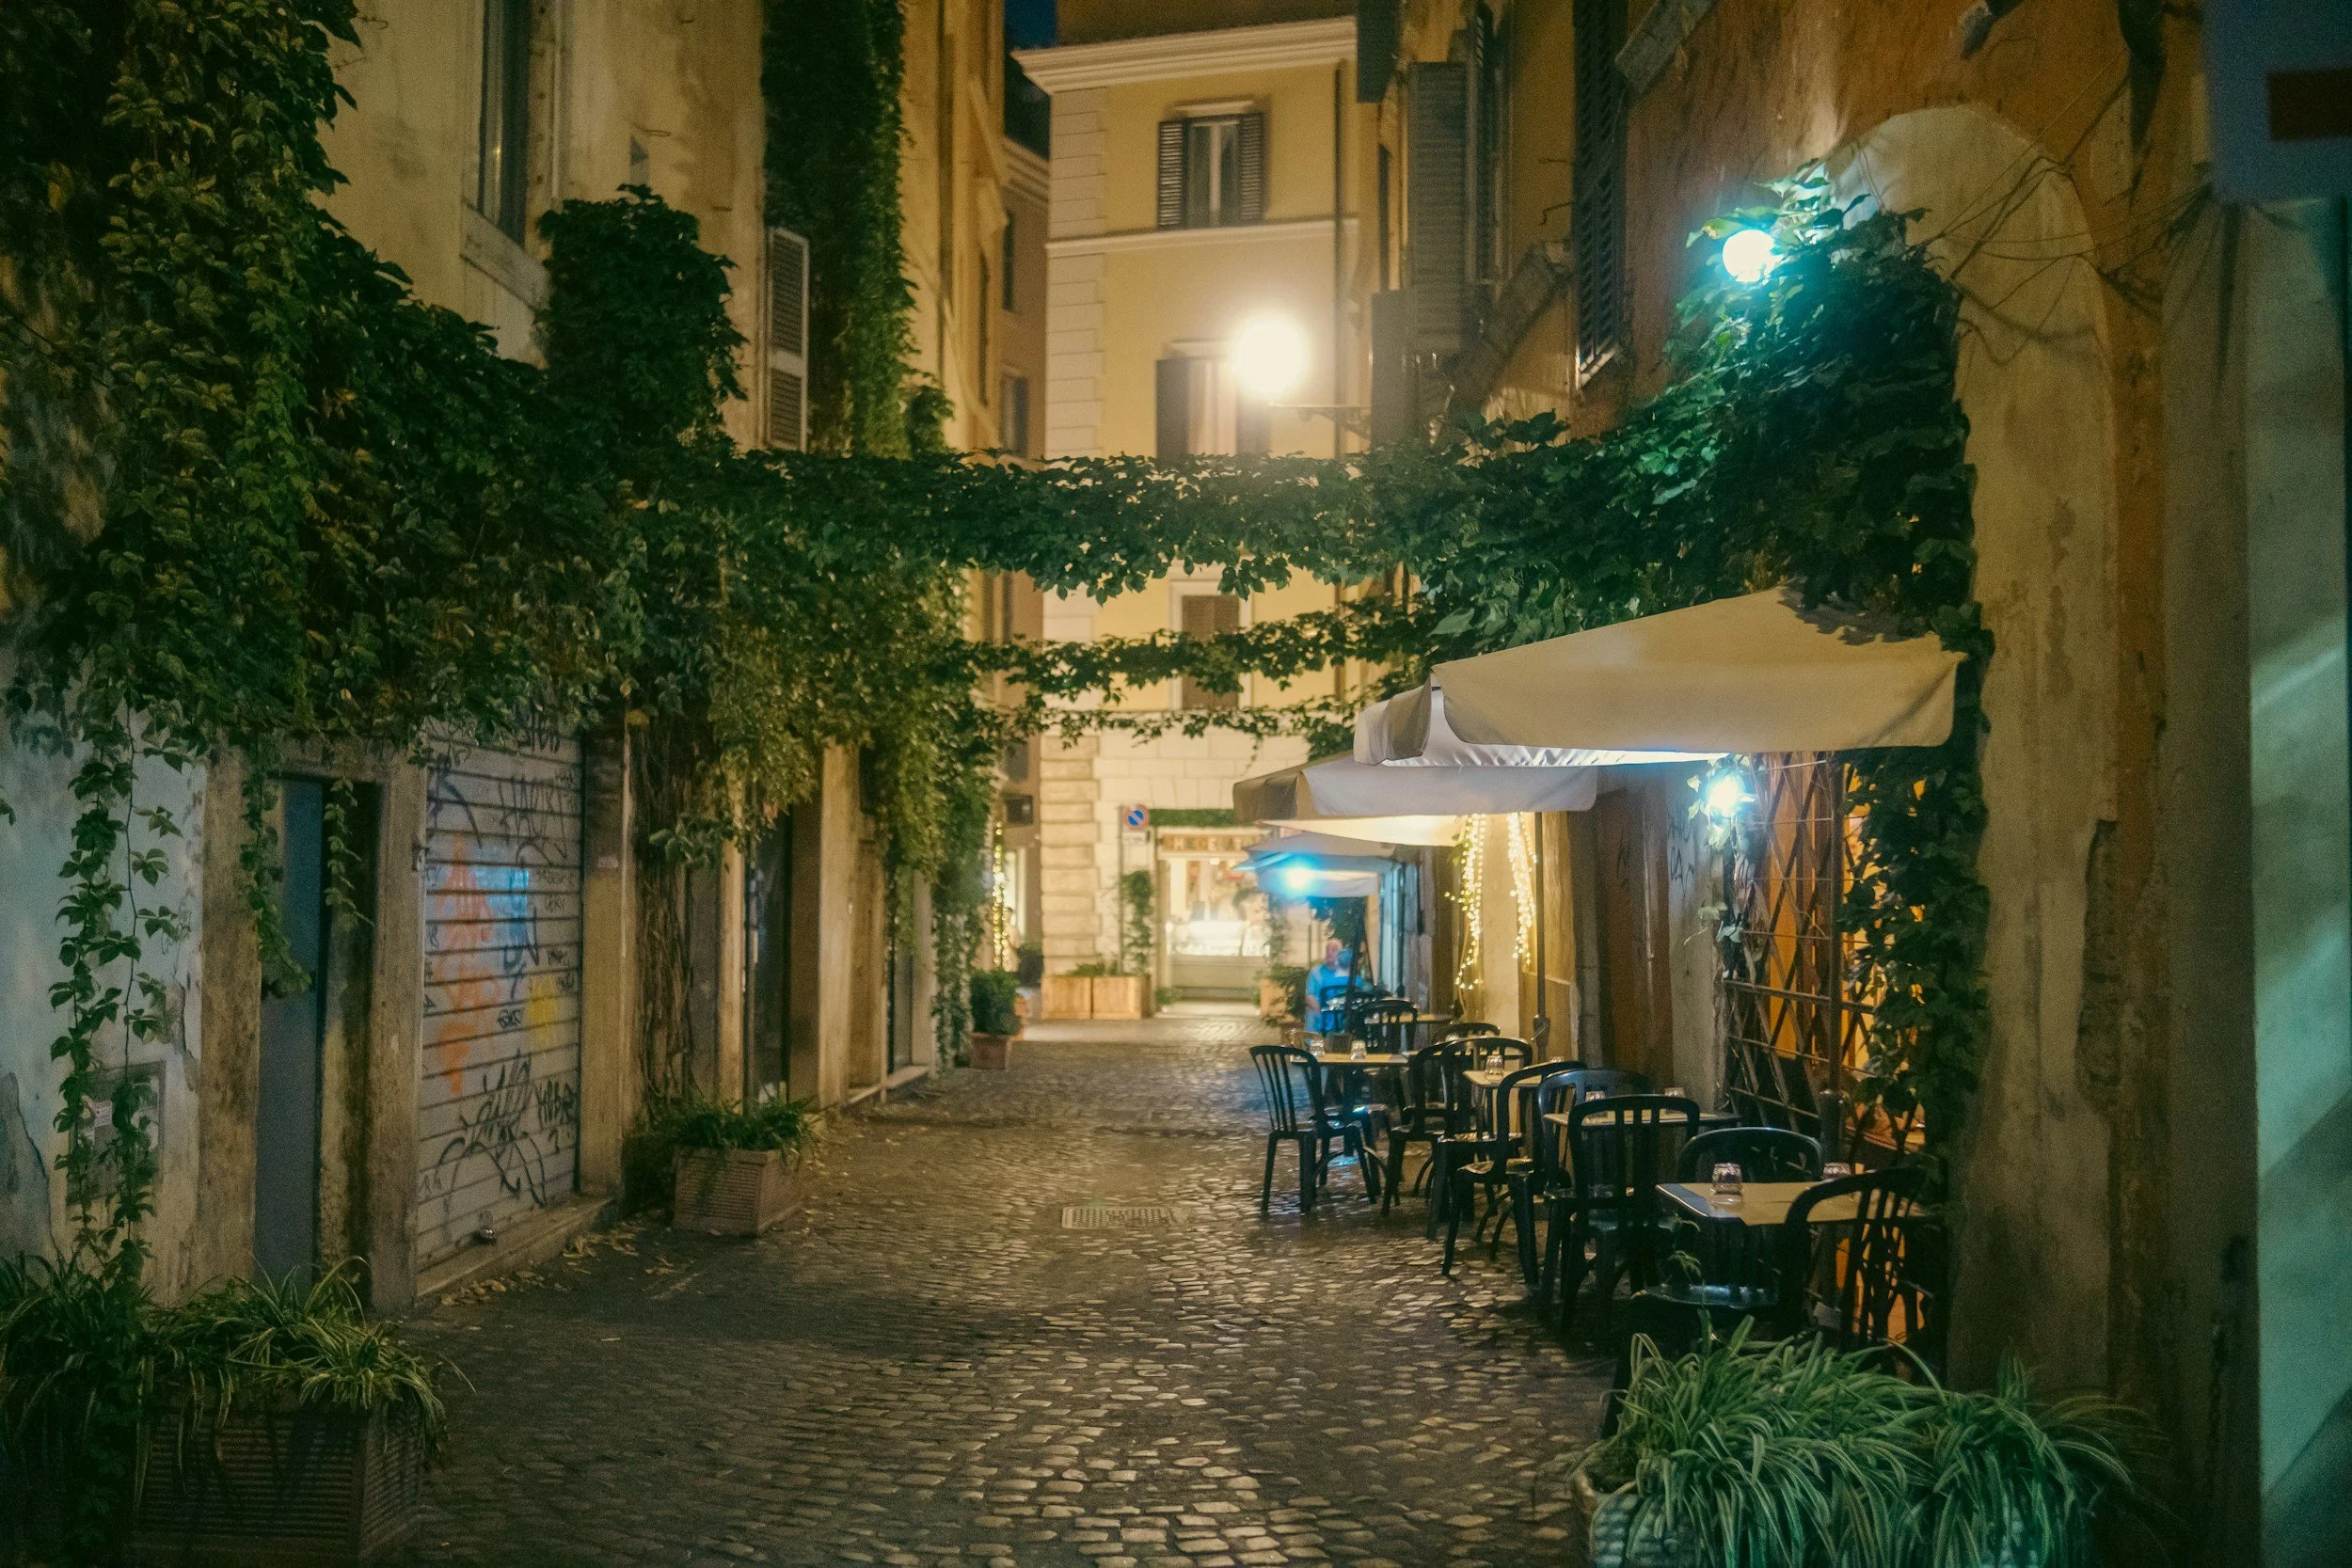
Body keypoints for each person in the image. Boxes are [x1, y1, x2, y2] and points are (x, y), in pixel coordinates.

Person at [1306, 939, 1354, 1036]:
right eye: (1327, 950)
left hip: (1341, 1019)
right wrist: (1321, 1015)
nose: (1329, 952)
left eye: (1334, 950)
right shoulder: (1315, 973)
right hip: (1319, 1017)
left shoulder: (1345, 974)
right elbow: (1309, 997)